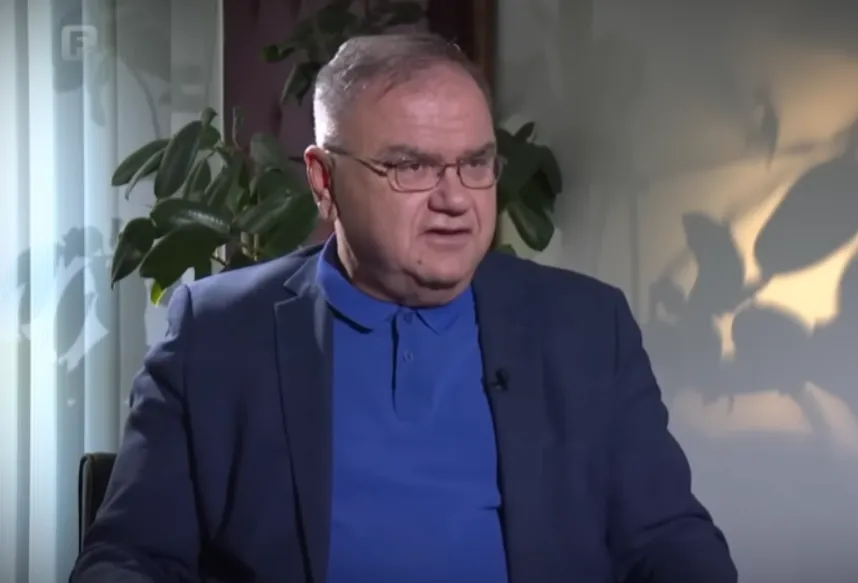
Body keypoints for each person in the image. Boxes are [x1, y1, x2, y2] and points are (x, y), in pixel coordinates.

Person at [70, 33, 737, 583]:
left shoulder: (585, 327)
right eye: (411, 168)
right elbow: (129, 557)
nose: (456, 199)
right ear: (323, 181)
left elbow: (669, 542)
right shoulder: (217, 334)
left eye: (476, 163)